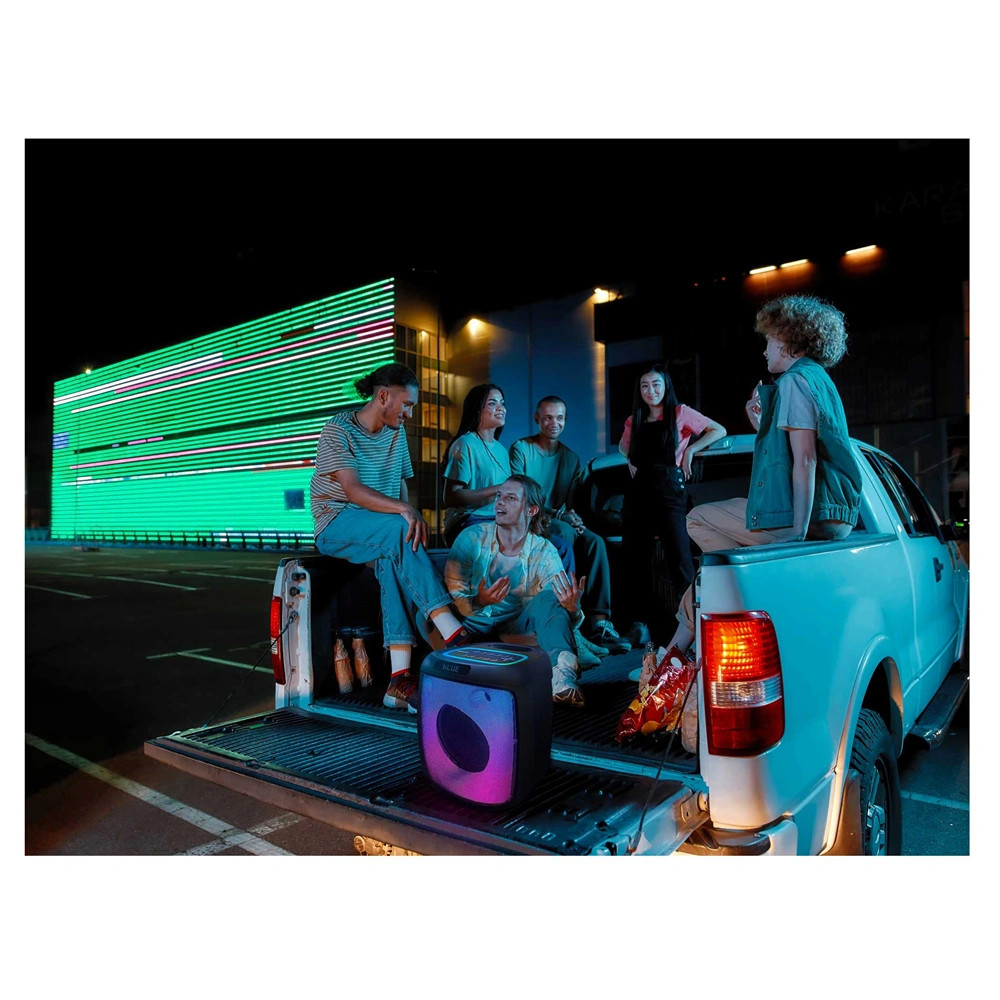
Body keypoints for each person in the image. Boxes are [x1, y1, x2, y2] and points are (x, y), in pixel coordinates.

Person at [663, 295, 863, 666]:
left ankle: (677, 651)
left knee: (698, 520)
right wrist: (761, 422)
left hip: (814, 517)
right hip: (831, 514)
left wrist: (797, 533)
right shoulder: (817, 379)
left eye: (769, 340)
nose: (765, 350)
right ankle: (678, 649)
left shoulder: (795, 381)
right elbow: (789, 453)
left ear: (787, 341)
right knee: (718, 568)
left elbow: (806, 459)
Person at [310, 363, 467, 714]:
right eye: (406, 404)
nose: (409, 413)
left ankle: (398, 679)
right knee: (398, 528)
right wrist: (404, 513)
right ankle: (451, 629)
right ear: (383, 396)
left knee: (392, 561)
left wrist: (407, 518)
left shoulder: (396, 433)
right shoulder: (338, 429)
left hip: (379, 529)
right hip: (337, 522)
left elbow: (400, 486)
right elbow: (352, 491)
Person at [444, 474, 589, 708]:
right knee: (429, 616)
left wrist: (572, 608)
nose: (499, 502)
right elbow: (453, 596)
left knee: (552, 596)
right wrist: (480, 601)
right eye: (499, 496)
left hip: (517, 628)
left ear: (531, 510)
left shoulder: (543, 550)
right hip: (471, 627)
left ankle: (563, 676)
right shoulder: (472, 538)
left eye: (510, 498)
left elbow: (555, 609)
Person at [510, 395, 630, 655]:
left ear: (565, 420)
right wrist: (562, 517)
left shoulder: (571, 458)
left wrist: (574, 518)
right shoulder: (521, 449)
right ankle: (565, 620)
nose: (554, 423)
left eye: (559, 418)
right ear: (537, 419)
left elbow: (571, 505)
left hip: (558, 520)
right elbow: (521, 495)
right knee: (564, 531)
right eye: (548, 417)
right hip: (529, 519)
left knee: (595, 542)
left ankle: (599, 624)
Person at [617, 363, 727, 646]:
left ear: (665, 386)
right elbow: (623, 446)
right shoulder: (634, 419)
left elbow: (718, 430)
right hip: (640, 493)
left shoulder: (680, 413)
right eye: (644, 386)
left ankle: (697, 632)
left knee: (680, 561)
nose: (650, 390)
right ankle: (650, 634)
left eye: (656, 384)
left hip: (670, 489)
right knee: (637, 563)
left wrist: (691, 449)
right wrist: (630, 459)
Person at [441, 384, 513, 546]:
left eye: (502, 403)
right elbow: (451, 496)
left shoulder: (502, 450)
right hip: (469, 520)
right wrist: (498, 488)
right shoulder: (465, 444)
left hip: (498, 520)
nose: (501, 408)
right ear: (477, 410)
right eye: (492, 403)